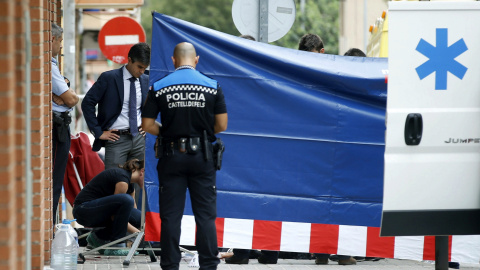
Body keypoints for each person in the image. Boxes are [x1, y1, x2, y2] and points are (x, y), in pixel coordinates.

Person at [142, 42, 228, 270]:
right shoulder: (213, 86)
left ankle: (170, 265)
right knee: (205, 216)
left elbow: (147, 124)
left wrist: (169, 132)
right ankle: (209, 264)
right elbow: (222, 125)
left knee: (171, 216)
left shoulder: (158, 87)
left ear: (173, 60)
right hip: (203, 157)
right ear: (196, 59)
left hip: (171, 157)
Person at [225, 33, 280, 266]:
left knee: (241, 200)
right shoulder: (270, 76)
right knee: (268, 201)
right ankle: (269, 253)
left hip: (241, 153)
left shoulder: (231, 76)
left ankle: (241, 252)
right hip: (269, 151)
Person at [81, 42, 150, 170]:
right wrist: (98, 131)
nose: (141, 71)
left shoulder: (146, 79)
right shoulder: (109, 78)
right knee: (115, 183)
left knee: (137, 186)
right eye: (139, 67)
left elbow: (152, 106)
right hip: (116, 139)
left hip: (140, 140)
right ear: (129, 60)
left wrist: (148, 125)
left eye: (144, 68)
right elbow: (87, 103)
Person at [72, 159, 144, 256]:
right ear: (142, 171)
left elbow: (132, 215)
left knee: (139, 217)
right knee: (126, 200)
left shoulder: (130, 186)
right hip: (83, 210)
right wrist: (138, 233)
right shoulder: (122, 181)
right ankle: (116, 245)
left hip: (97, 211)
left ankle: (99, 237)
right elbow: (115, 216)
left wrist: (143, 229)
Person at [51, 23, 79, 225]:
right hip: (57, 127)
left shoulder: (51, 64)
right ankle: (49, 222)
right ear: (52, 39)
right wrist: (68, 96)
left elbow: (68, 96)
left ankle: (50, 222)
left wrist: (67, 95)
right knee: (54, 178)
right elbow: (70, 100)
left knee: (56, 178)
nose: (60, 46)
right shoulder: (49, 65)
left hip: (59, 124)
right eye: (60, 41)